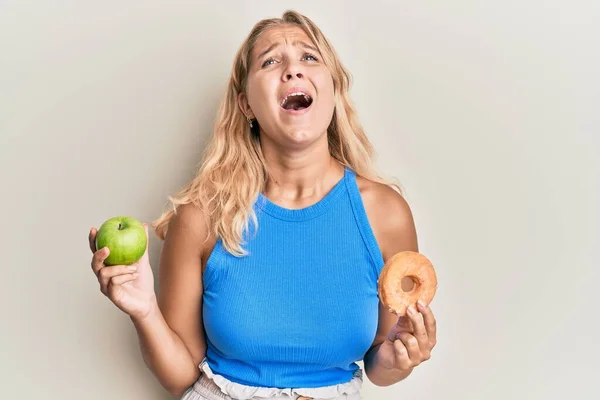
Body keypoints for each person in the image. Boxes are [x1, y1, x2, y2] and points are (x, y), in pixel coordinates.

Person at [88, 10, 437, 400]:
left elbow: (379, 360)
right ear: (246, 105)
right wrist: (144, 310)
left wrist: (397, 359)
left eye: (309, 57)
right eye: (270, 61)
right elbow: (179, 375)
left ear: (334, 90)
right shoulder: (202, 216)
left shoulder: (386, 214)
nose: (292, 71)